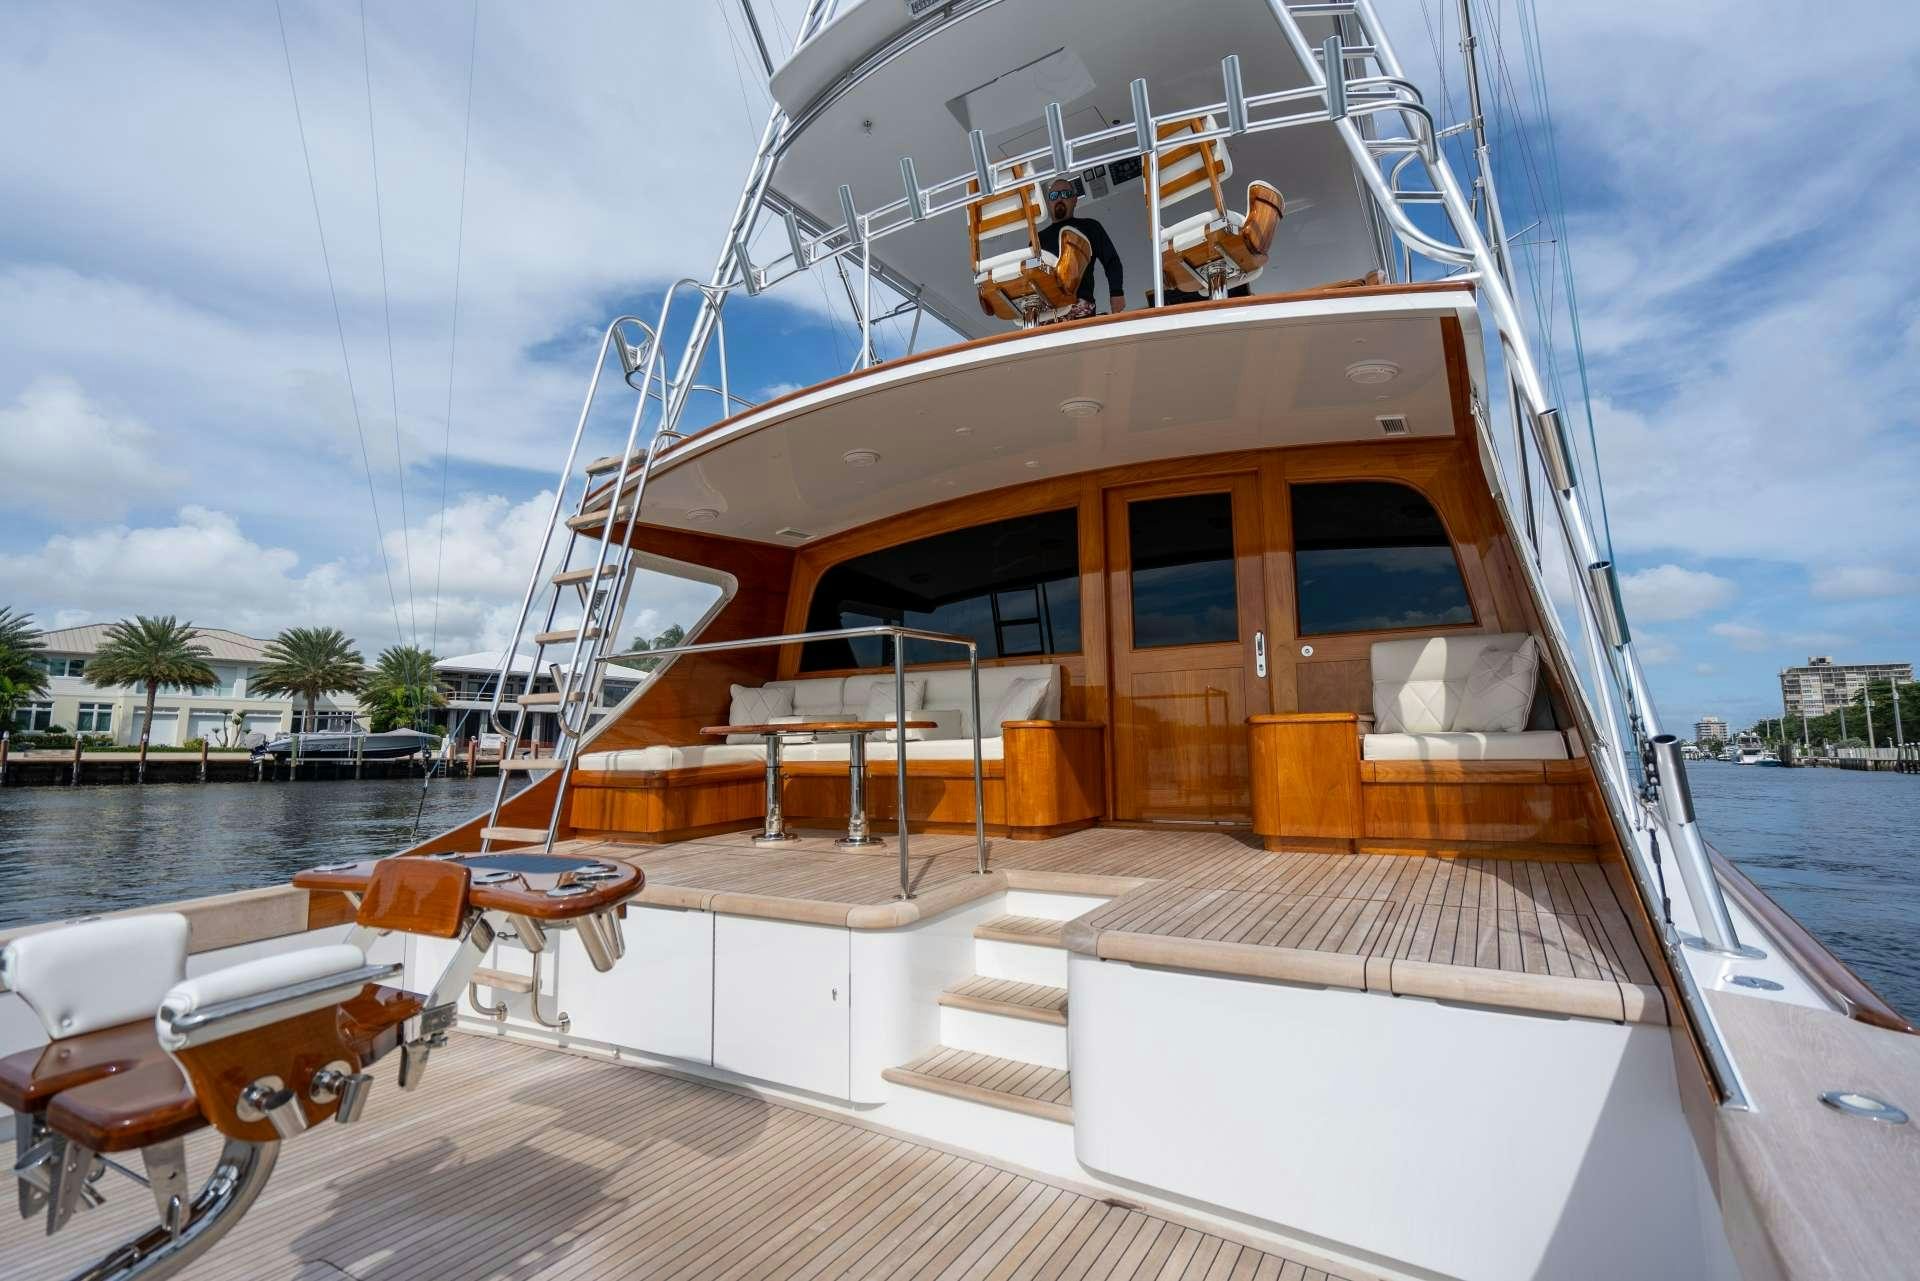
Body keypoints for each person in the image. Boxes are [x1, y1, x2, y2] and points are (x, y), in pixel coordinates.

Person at [1037, 178, 1125, 319]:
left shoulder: (1091, 227)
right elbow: (1031, 274)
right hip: (1048, 308)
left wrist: (1116, 292)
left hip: (1079, 305)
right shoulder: (1038, 239)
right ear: (1049, 203)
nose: (1059, 198)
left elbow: (1111, 261)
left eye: (1065, 194)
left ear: (1075, 200)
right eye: (1054, 196)